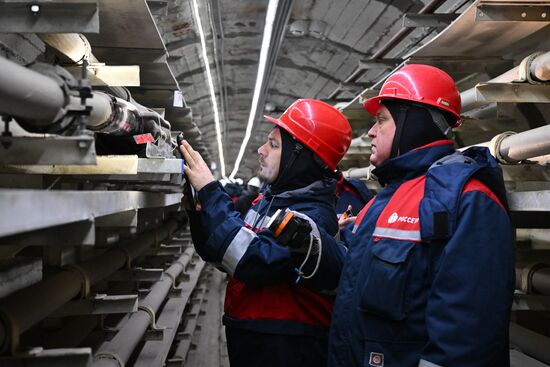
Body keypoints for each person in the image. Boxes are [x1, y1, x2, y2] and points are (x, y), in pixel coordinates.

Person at [328, 64, 515, 367]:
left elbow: (466, 335)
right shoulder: (384, 199)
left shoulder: (466, 200)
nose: (371, 132)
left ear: (411, 124)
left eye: (381, 120)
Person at [179, 99, 352, 367]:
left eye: (273, 145)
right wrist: (200, 214)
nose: (260, 150)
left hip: (288, 349)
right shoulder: (265, 203)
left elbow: (252, 261)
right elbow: (225, 256)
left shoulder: (310, 217)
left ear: (300, 157)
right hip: (255, 340)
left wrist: (212, 192)